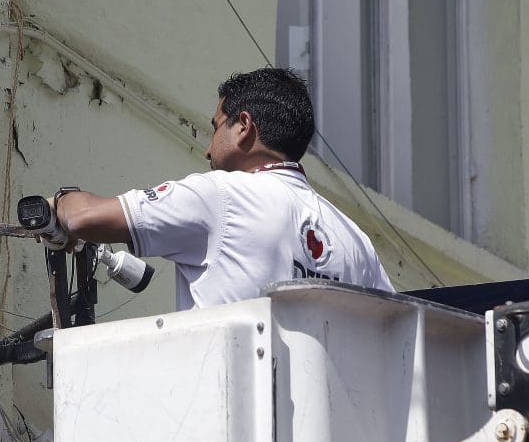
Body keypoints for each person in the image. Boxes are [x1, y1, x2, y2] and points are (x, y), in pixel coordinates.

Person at [48, 67, 395, 311]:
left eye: (215, 128)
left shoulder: (221, 195)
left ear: (243, 126)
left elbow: (84, 218)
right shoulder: (356, 240)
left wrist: (58, 203)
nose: (208, 150)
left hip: (229, 410)